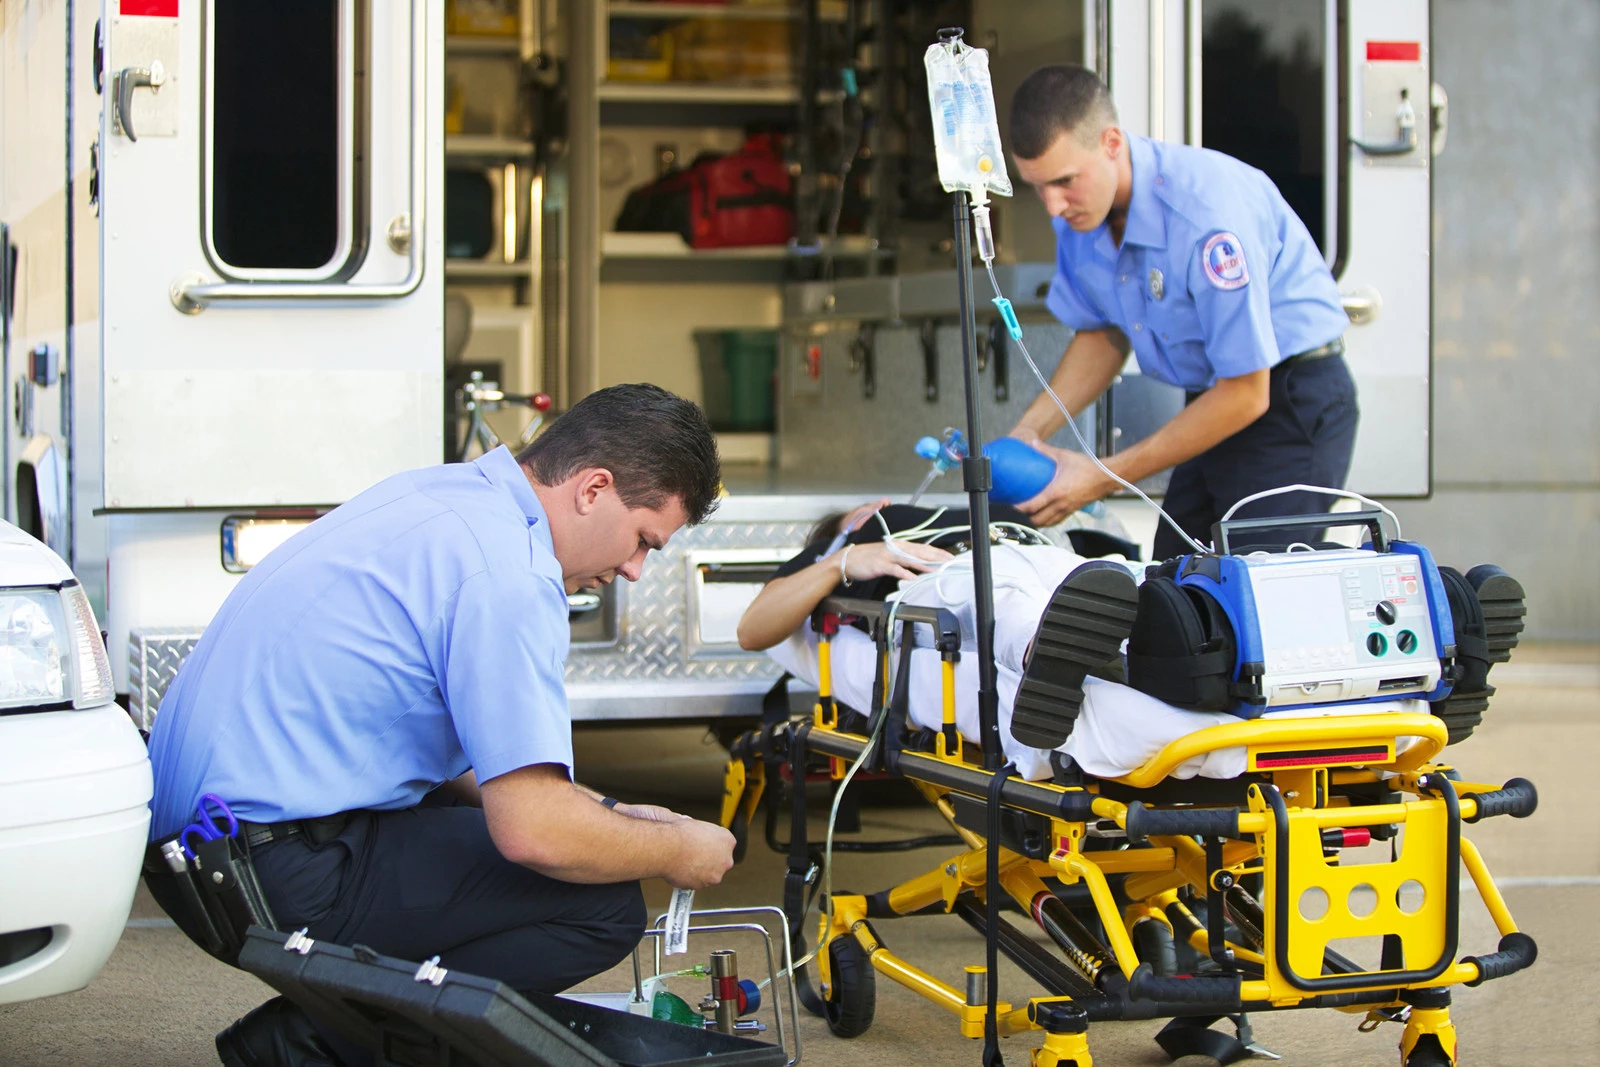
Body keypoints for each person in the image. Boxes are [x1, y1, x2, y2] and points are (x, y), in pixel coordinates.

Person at [144, 383, 737, 1067]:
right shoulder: (509, 574)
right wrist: (673, 851)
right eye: (642, 539)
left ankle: (323, 1031)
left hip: (188, 855)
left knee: (550, 833)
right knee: (602, 903)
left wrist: (609, 811)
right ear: (593, 488)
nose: (633, 568)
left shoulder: (440, 497)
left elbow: (463, 756)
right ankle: (310, 1045)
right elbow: (532, 831)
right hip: (265, 873)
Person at [1003, 65, 1358, 560]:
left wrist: (1101, 477)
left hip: (1287, 399)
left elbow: (1246, 393)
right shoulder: (1080, 216)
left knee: (1245, 593)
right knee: (1173, 587)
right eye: (1037, 187)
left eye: (1064, 182)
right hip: (1215, 400)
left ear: (1111, 142)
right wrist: (1029, 430)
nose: (1052, 206)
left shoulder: (1206, 216)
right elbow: (1102, 334)